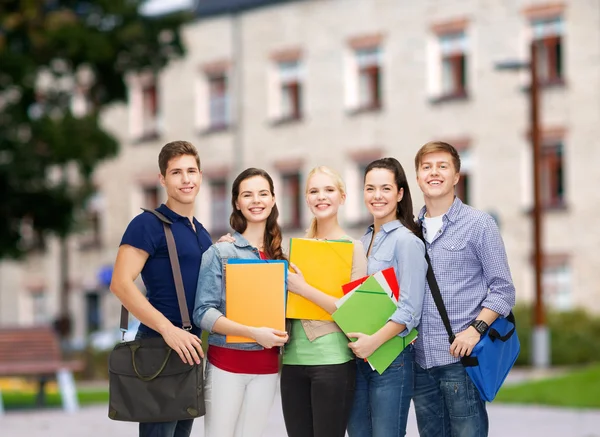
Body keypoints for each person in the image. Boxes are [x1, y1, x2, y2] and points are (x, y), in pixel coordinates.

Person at [412, 141, 516, 437]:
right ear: (418, 177)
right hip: (421, 364)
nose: (434, 173)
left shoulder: (479, 225)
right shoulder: (409, 231)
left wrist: (475, 330)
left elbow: (503, 290)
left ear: (457, 176)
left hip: (461, 362)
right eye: (427, 167)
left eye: (442, 166)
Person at [110, 140, 211, 437]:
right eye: (176, 172)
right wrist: (169, 330)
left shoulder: (201, 232)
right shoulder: (147, 225)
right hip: (160, 344)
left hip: (190, 348)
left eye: (191, 171)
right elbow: (120, 283)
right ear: (162, 179)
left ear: (201, 176)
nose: (186, 179)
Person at [193, 168, 288, 437]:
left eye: (262, 194)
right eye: (247, 195)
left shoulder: (284, 257)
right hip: (227, 366)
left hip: (267, 368)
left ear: (272, 199)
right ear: (236, 202)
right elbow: (203, 313)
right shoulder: (220, 252)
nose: (256, 201)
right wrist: (252, 333)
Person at [283, 166, 368, 437]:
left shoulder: (354, 248)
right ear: (306, 199)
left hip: (333, 362)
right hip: (292, 363)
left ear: (342, 197)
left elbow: (353, 312)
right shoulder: (292, 249)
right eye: (314, 191)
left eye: (329, 190)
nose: (322, 196)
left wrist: (304, 289)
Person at [346, 157, 427, 437]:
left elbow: (410, 310)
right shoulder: (361, 242)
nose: (377, 196)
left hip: (392, 360)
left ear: (400, 193)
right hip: (358, 358)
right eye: (370, 188)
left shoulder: (407, 242)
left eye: (385, 188)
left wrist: (373, 343)